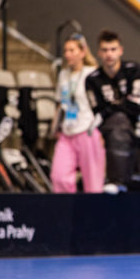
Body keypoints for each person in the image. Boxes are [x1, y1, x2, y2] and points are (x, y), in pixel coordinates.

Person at [84, 30, 140, 194]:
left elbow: (136, 105)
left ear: (120, 50)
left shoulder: (135, 70)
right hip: (112, 130)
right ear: (99, 52)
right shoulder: (92, 79)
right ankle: (116, 179)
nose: (109, 54)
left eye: (113, 49)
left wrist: (109, 109)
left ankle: (122, 180)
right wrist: (118, 107)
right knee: (118, 121)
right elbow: (97, 111)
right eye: (105, 50)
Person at [49, 34, 105, 193]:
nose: (68, 54)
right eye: (66, 51)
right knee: (59, 177)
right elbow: (60, 104)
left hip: (88, 131)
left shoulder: (93, 73)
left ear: (82, 52)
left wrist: (102, 132)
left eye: (72, 50)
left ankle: (93, 216)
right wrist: (55, 128)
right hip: (67, 133)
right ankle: (66, 214)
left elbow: (102, 105)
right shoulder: (63, 75)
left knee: (93, 183)